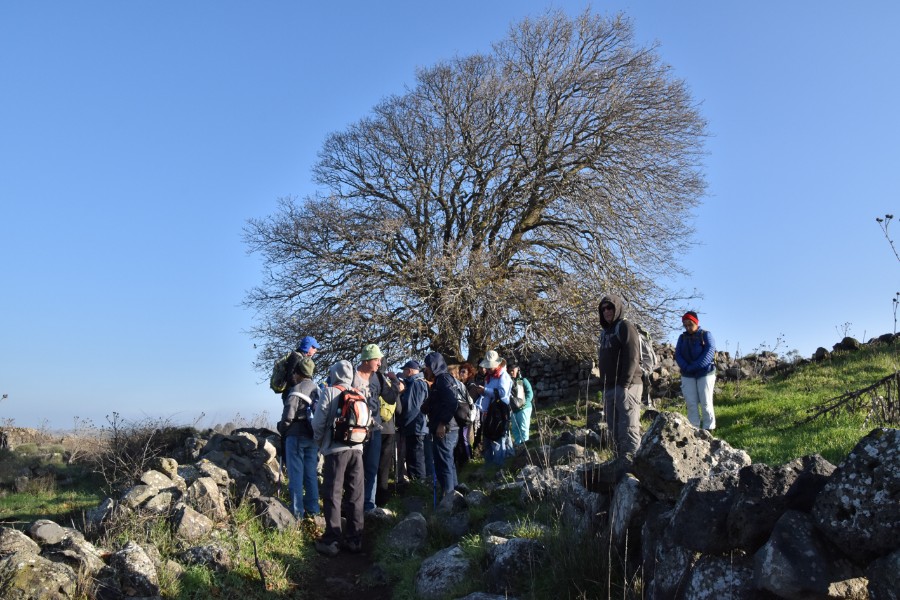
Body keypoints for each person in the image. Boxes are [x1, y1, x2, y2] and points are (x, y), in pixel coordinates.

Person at [312, 360, 364, 557]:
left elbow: (318, 423)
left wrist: (320, 444)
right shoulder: (359, 393)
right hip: (357, 449)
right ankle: (355, 539)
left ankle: (332, 539)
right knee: (355, 495)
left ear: (334, 373)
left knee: (333, 493)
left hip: (335, 450)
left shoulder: (329, 391)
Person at [353, 343, 400, 512]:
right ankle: (354, 504)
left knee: (372, 468)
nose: (380, 363)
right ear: (367, 360)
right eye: (377, 360)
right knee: (355, 469)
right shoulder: (352, 376)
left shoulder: (379, 378)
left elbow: (391, 398)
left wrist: (395, 381)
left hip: (374, 431)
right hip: (354, 430)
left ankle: (369, 505)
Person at [597, 294, 643, 459]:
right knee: (614, 429)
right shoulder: (604, 333)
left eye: (610, 307)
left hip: (627, 386)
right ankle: (619, 463)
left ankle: (635, 464)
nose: (606, 311)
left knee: (629, 428)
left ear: (617, 308)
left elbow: (633, 356)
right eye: (603, 309)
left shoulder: (625, 326)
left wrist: (624, 384)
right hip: (609, 387)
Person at [278, 357, 320, 519]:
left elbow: (288, 417)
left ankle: (297, 512)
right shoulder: (317, 389)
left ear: (300, 373)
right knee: (311, 473)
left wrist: (283, 429)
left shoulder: (295, 391)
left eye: (295, 372)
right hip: (313, 436)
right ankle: (314, 510)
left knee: (295, 474)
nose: (293, 375)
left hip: (295, 435)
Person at [422, 351, 460, 499]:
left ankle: (449, 499)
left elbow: (451, 402)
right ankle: (455, 494)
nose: (425, 369)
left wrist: (442, 424)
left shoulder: (443, 380)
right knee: (447, 462)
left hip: (446, 429)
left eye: (427, 366)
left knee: (444, 463)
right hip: (448, 427)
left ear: (434, 366)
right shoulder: (441, 380)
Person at [674, 311, 717, 430]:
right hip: (687, 374)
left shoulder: (706, 335)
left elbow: (708, 353)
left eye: (690, 325)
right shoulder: (682, 338)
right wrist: (686, 367)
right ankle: (694, 429)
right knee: (691, 403)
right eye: (685, 325)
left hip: (705, 373)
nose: (688, 328)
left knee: (706, 402)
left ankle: (709, 428)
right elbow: (678, 355)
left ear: (696, 323)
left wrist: (693, 367)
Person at [476, 350, 512, 466]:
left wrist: (485, 390)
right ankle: (490, 466)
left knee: (498, 437)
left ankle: (499, 466)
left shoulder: (503, 376)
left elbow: (502, 393)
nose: (489, 368)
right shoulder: (489, 377)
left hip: (499, 411)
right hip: (488, 412)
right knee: (488, 438)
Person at [400, 359, 428, 481]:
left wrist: (403, 423)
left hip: (415, 426)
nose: (403, 373)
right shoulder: (418, 382)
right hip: (417, 425)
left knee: (416, 456)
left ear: (410, 371)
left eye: (405, 370)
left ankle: (419, 484)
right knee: (414, 456)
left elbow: (413, 407)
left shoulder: (416, 383)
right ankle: (416, 482)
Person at [508, 360, 534, 446]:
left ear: (517, 369)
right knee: (515, 429)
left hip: (524, 408)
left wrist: (524, 403)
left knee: (523, 427)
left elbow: (530, 393)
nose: (511, 372)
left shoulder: (523, 380)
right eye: (509, 371)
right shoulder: (508, 382)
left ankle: (525, 446)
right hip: (514, 409)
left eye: (513, 370)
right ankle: (518, 445)